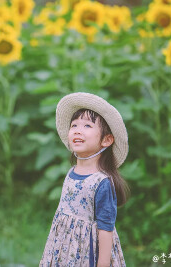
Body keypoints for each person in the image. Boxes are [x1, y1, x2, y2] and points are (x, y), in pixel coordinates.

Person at [39, 92, 130, 267]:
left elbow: (105, 228)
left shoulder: (101, 182)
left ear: (106, 140)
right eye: (74, 125)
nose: (77, 130)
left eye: (87, 126)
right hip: (63, 249)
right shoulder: (72, 172)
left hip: (87, 253)